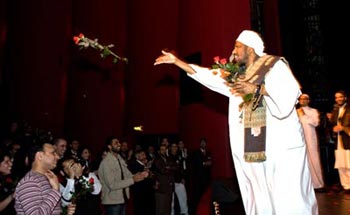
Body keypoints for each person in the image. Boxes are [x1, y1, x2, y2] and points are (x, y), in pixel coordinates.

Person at [154, 30, 318, 214]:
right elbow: (209, 76)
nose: (234, 51)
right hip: (255, 150)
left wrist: (257, 89)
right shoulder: (237, 76)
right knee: (260, 197)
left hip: (280, 149)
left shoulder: (274, 65)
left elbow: (289, 96)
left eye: (237, 46)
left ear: (250, 48)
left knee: (287, 198)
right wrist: (177, 62)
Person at [14, 142, 75, 215]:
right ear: (40, 156)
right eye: (53, 153)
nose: (58, 157)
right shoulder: (29, 182)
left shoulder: (48, 177)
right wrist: (55, 190)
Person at [98, 136, 148, 215]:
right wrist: (133, 179)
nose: (119, 144)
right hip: (112, 202)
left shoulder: (119, 159)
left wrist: (140, 175)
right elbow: (112, 185)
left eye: (119, 142)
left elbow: (127, 175)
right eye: (116, 143)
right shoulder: (106, 163)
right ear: (109, 147)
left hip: (122, 200)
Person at [297, 93, 326, 192]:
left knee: (314, 161)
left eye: (305, 99)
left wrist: (303, 115)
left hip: (310, 139)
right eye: (301, 99)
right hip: (298, 140)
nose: (303, 100)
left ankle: (318, 184)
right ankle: (305, 186)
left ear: (308, 100)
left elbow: (315, 122)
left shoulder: (313, 111)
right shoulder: (295, 112)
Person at [329, 90, 350, 194]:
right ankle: (346, 186)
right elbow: (333, 124)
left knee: (349, 163)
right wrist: (333, 127)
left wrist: (343, 128)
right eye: (336, 97)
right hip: (338, 140)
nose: (338, 99)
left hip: (348, 139)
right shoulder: (336, 110)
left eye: (340, 97)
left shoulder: (349, 109)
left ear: (345, 97)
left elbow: (344, 125)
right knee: (341, 164)